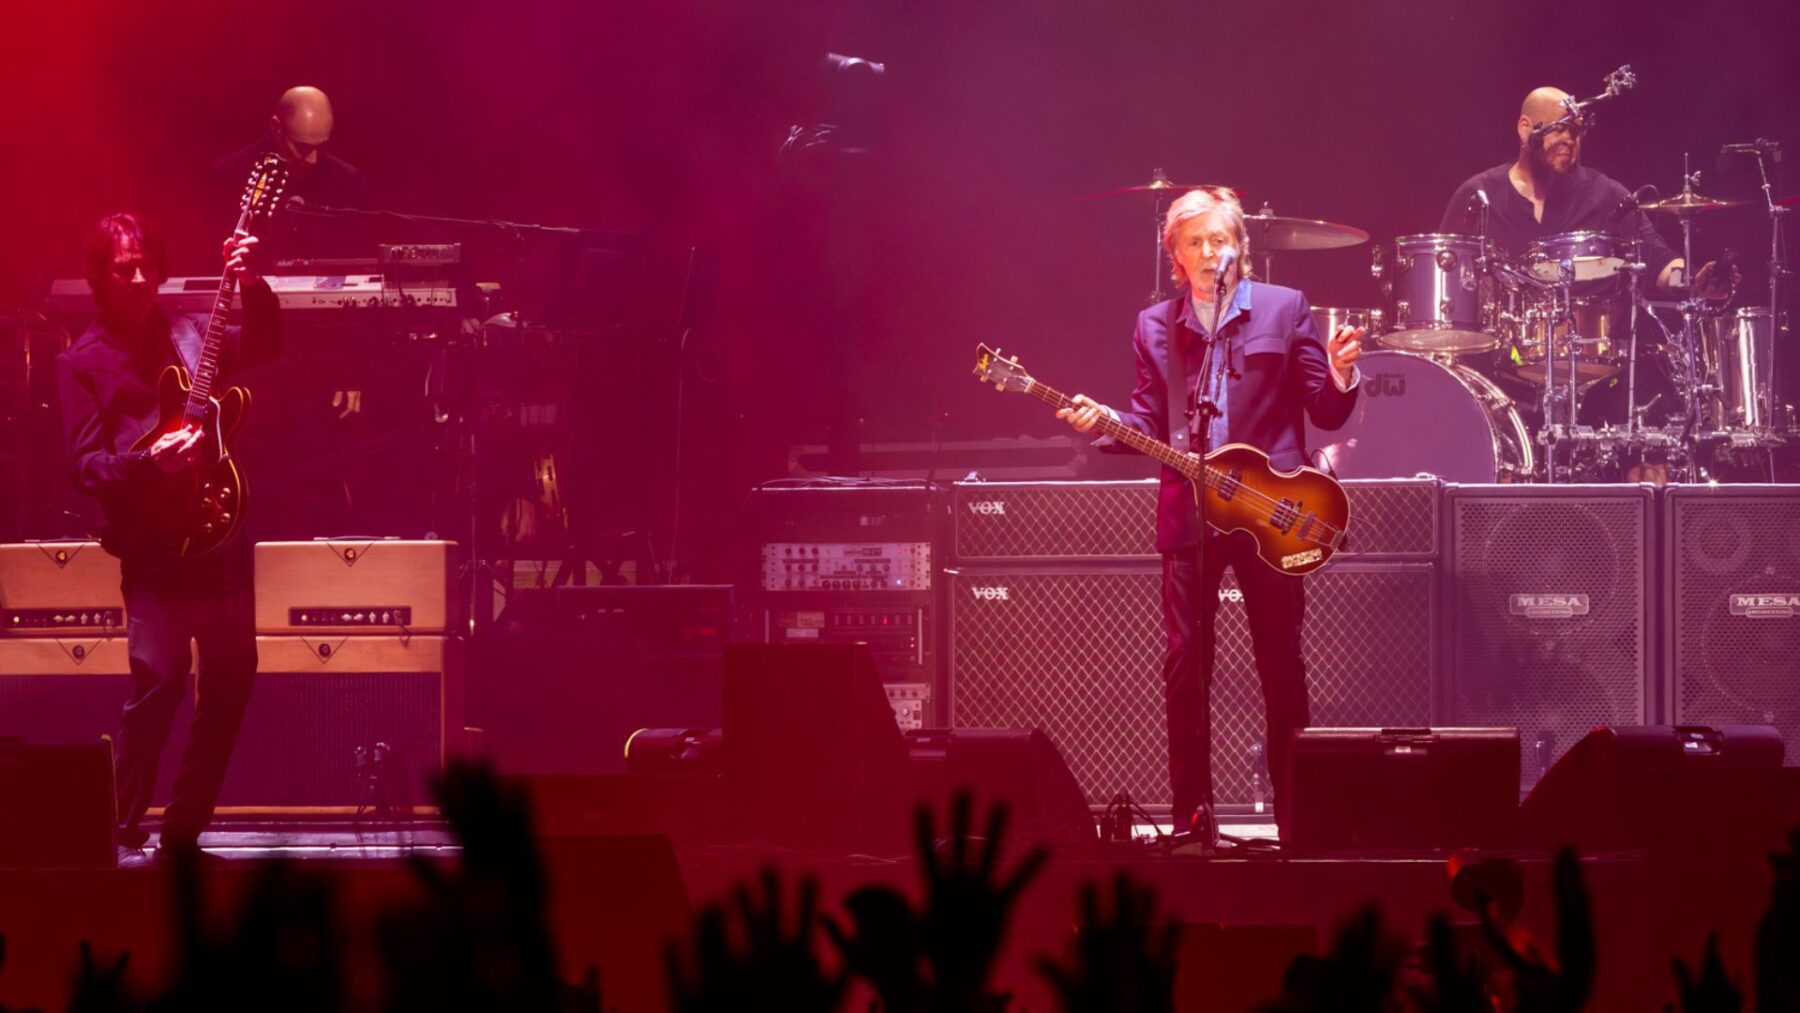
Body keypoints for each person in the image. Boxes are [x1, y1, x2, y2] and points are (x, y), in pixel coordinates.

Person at [1057, 187, 1363, 840]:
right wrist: (1106, 423)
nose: (1207, 252)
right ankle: (1192, 818)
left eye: (1218, 240)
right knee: (1185, 661)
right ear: (1174, 258)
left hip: (1269, 511)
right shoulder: (1154, 326)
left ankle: (1298, 819)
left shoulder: (1285, 310)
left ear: (1240, 250)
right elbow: (1146, 418)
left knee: (1281, 662)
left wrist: (1339, 374)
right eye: (1193, 242)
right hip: (1190, 510)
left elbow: (1324, 410)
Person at [55, 213, 281, 857]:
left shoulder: (189, 332)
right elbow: (83, 466)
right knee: (160, 682)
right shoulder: (79, 362)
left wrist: (252, 278)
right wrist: (148, 462)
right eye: (124, 267)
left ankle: (185, 826)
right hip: (152, 544)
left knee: (234, 675)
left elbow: (265, 346)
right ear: (99, 276)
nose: (139, 277)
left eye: (148, 265)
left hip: (218, 528)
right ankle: (118, 826)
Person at [212, 86, 369, 262]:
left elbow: (357, 258)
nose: (313, 159)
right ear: (275, 127)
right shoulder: (230, 175)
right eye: (302, 147)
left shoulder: (347, 181)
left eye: (321, 146)